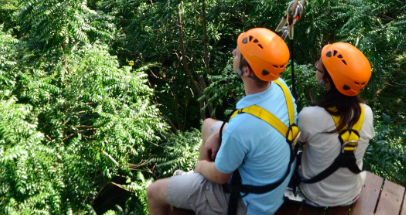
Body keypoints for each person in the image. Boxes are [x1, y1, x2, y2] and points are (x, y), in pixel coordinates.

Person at [147, 27, 297, 215]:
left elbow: (220, 176)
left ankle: (198, 185)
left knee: (154, 192)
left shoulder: (242, 127)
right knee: (209, 124)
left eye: (238, 53)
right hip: (270, 184)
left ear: (246, 69)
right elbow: (252, 128)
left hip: (247, 203)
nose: (233, 52)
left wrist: (200, 167)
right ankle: (197, 182)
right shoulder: (280, 87)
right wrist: (219, 132)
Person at [297, 42, 375, 208]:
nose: (317, 65)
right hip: (351, 194)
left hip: (314, 195)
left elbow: (297, 142)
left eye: (319, 65)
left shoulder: (309, 116)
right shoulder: (366, 113)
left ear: (327, 80)